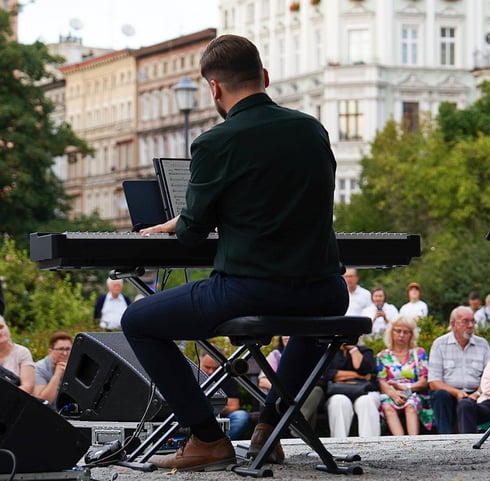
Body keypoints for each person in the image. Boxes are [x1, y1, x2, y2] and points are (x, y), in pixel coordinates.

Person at [124, 35, 348, 471]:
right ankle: (270, 426)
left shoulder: (215, 142)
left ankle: (207, 438)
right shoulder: (311, 128)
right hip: (326, 290)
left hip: (252, 291)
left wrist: (185, 220)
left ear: (213, 89)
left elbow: (190, 237)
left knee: (138, 321)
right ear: (264, 77)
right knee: (310, 325)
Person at [428, 306, 490, 434]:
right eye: (465, 321)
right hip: (450, 395)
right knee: (440, 395)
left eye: (473, 321)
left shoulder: (483, 344)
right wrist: (456, 393)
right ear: (453, 324)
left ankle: (471, 443)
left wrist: (477, 393)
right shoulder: (440, 344)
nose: (470, 325)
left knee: (472, 404)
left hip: (476, 395)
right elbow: (434, 382)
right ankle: (445, 440)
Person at [376, 316, 432, 435]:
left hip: (413, 392)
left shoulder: (419, 353)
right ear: (391, 332)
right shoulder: (382, 356)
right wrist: (394, 394)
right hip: (391, 394)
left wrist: (406, 391)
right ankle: (400, 444)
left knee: (410, 405)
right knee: (387, 407)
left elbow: (424, 381)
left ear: (411, 335)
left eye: (406, 332)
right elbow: (382, 381)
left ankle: (413, 444)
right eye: (398, 331)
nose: (401, 335)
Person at [325, 341, 381, 438]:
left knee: (366, 402)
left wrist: (354, 350)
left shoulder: (365, 351)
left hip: (364, 391)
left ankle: (370, 444)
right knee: (339, 401)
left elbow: (367, 370)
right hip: (337, 392)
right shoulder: (329, 352)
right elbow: (330, 374)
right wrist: (357, 375)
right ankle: (339, 444)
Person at [198, 349, 252, 440]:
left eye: (216, 369)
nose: (211, 372)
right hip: (198, 418)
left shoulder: (227, 377)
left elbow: (234, 406)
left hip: (222, 418)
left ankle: (221, 441)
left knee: (241, 416)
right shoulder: (193, 376)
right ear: (199, 362)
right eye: (207, 367)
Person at [33, 331, 73, 407]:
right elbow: (42, 402)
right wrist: (57, 375)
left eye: (68, 349)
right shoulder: (39, 368)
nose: (65, 353)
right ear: (50, 351)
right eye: (61, 349)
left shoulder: (77, 364)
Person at [0, 316, 35, 394]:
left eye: (1, 327)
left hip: (17, 401)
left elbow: (28, 386)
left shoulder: (22, 352)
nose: (0, 332)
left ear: (7, 327)